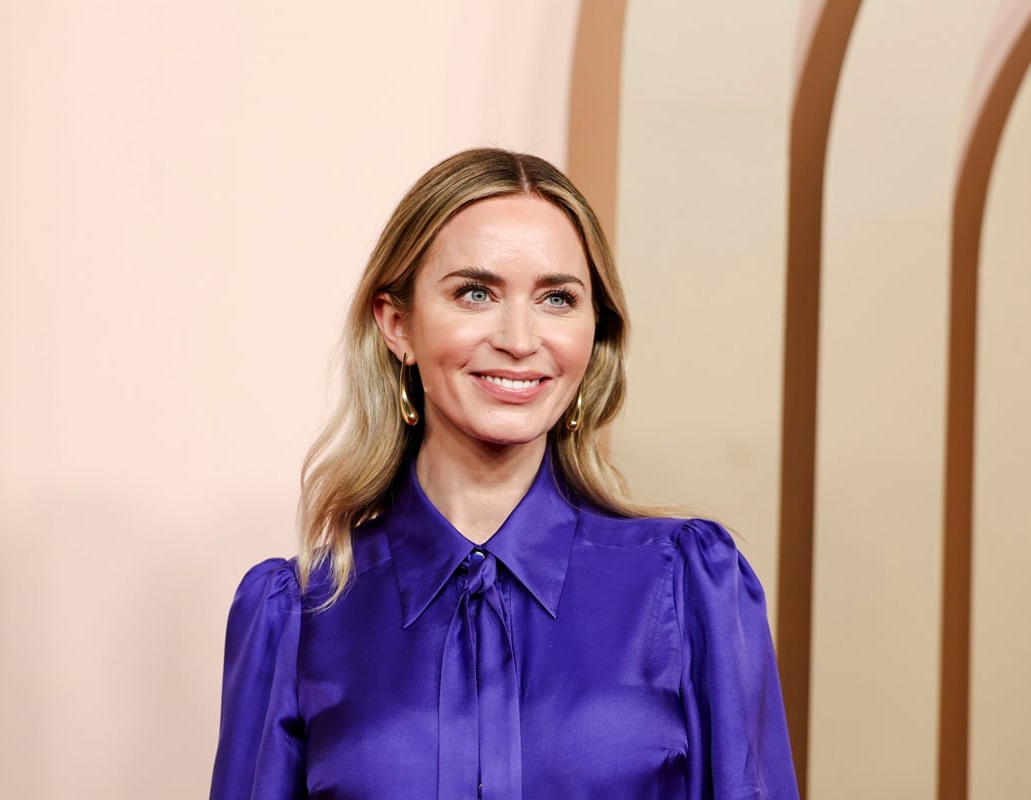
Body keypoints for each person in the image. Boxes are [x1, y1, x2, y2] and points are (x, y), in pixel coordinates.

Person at [208, 148, 798, 799]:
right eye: (476, 293)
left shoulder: (690, 584)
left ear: (592, 331)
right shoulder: (299, 614)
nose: (520, 338)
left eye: (557, 298)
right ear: (397, 324)